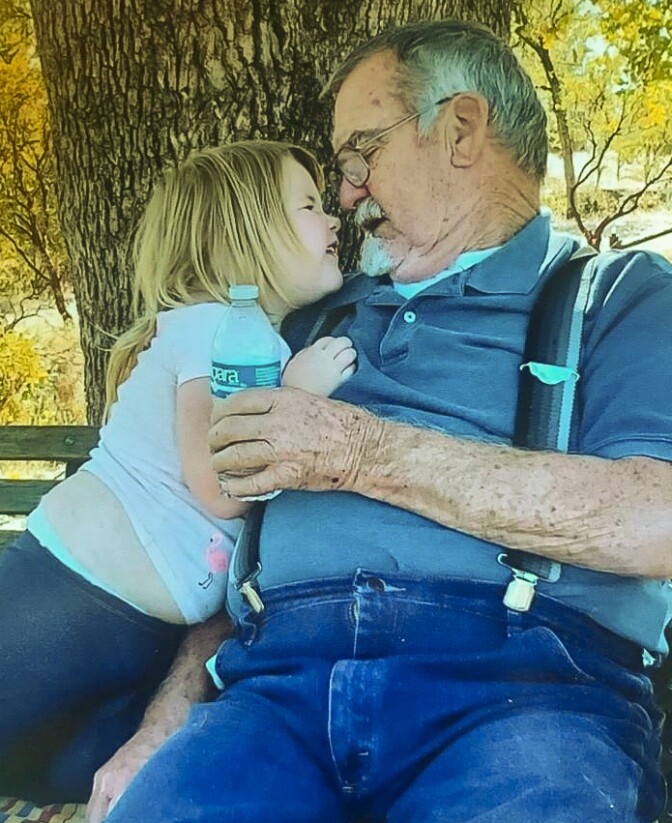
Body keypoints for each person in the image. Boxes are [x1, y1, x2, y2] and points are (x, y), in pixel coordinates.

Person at [101, 19, 672, 823]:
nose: (346, 191)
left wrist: (358, 452)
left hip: (524, 699)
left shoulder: (618, 294)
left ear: (462, 131)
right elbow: (226, 551)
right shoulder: (301, 318)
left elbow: (658, 518)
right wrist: (159, 725)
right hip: (269, 697)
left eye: (362, 152)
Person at [0, 139, 355, 804]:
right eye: (308, 205)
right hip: (64, 595)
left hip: (123, 631)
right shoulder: (210, 327)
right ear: (241, 234)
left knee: (61, 770)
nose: (334, 217)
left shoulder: (254, 341)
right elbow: (218, 487)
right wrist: (297, 399)